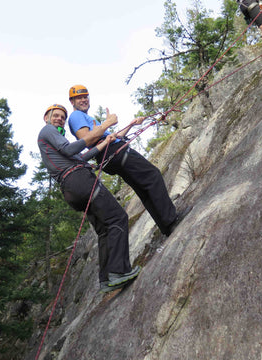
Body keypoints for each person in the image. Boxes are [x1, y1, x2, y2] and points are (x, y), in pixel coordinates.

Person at [38, 104, 140, 293]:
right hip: (80, 181)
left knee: (104, 230)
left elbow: (81, 157)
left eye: (62, 117)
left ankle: (106, 279)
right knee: (118, 218)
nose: (60, 119)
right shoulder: (48, 130)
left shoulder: (56, 141)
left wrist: (104, 142)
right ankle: (118, 271)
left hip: (71, 189)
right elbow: (71, 152)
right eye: (56, 116)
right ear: (46, 117)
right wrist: (103, 127)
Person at [67, 85, 180, 237]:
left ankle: (166, 226)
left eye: (85, 96)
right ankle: (171, 220)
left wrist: (132, 123)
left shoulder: (87, 118)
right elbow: (85, 140)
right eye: (79, 97)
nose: (83, 100)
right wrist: (107, 123)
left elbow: (112, 137)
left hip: (111, 154)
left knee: (143, 188)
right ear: (72, 101)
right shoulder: (76, 117)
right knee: (152, 175)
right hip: (115, 152)